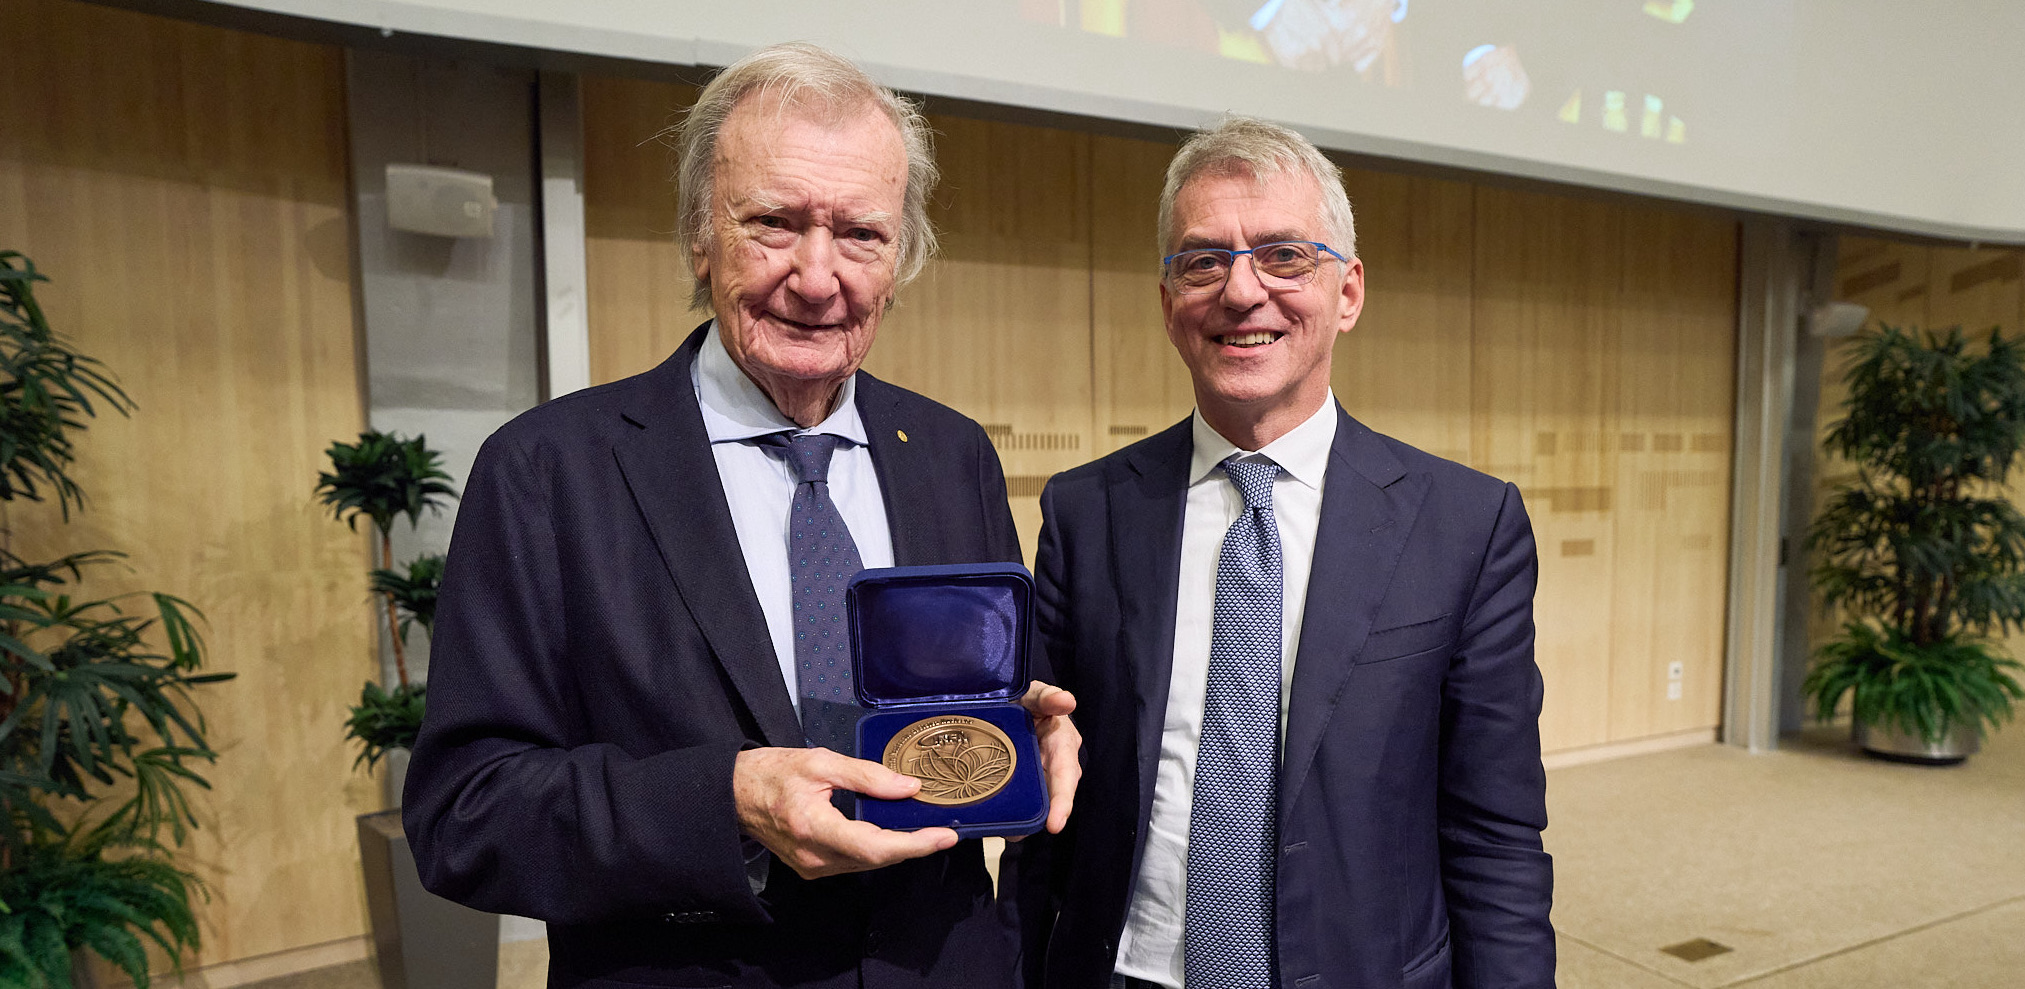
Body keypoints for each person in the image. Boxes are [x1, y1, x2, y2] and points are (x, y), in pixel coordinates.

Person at [403, 42, 1080, 989]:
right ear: (697, 234)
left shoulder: (952, 453)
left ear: (901, 258)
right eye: (772, 222)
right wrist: (724, 801)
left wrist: (1031, 724)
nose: (816, 275)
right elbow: (463, 814)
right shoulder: (547, 470)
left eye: (860, 234)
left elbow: (967, 702)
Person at [1022, 116, 1553, 988]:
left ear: (1347, 293)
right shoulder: (1085, 510)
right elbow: (1051, 805)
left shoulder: (1465, 525)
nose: (1239, 291)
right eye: (1202, 260)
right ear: (1167, 304)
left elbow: (1493, 832)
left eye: (1282, 255)